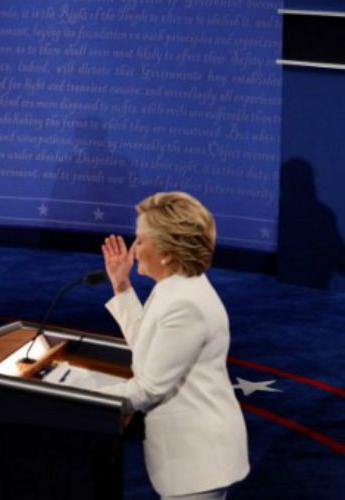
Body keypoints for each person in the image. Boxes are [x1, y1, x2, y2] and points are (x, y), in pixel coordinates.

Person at [100, 192, 249, 500]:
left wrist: (76, 398)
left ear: (167, 252)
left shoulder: (185, 304)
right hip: (193, 454)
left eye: (141, 241)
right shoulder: (174, 288)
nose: (134, 250)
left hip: (199, 460)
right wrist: (121, 285)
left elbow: (149, 388)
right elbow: (147, 343)